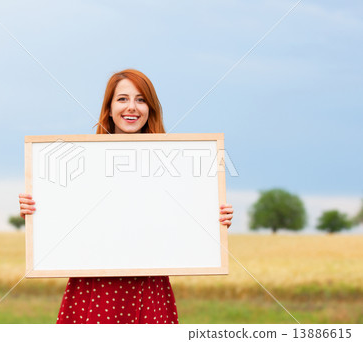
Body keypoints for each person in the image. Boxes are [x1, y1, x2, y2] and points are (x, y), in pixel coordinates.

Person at [18, 69, 234, 324]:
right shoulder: (80, 161)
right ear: (109, 109)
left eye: (141, 100)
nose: (132, 107)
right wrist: (36, 210)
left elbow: (180, 218)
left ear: (150, 109)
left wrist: (213, 216)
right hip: (94, 284)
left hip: (148, 283)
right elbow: (66, 216)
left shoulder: (173, 164)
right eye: (122, 99)